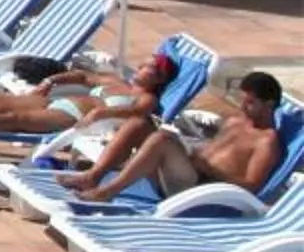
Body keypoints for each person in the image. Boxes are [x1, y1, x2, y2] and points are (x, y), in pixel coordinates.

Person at [61, 70, 288, 206]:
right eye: (243, 100)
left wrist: (209, 168)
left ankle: (107, 192)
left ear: (269, 104)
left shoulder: (267, 142)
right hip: (188, 173)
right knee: (139, 124)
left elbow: (251, 187)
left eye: (251, 103)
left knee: (162, 139)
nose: (243, 107)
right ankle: (93, 176)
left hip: (203, 189)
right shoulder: (236, 121)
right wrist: (193, 152)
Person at [0, 50, 179, 140]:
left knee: (16, 118)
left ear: (159, 79)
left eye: (149, 68)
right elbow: (81, 76)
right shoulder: (114, 80)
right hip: (59, 100)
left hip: (75, 116)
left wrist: (101, 111)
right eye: (143, 63)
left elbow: (136, 113)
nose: (141, 67)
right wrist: (50, 80)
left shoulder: (148, 99)